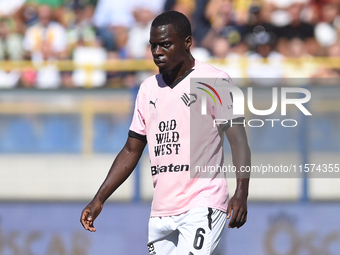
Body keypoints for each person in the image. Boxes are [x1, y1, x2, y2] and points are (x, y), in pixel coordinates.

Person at [80, 10, 251, 255]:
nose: (157, 52)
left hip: (203, 203)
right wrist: (99, 198)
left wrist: (241, 192)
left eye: (166, 44)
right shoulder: (148, 89)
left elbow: (239, 141)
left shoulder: (215, 81)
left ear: (187, 43)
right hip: (161, 212)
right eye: (153, 46)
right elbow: (131, 149)